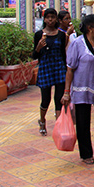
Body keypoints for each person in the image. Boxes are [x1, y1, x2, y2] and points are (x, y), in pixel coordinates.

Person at [61, 14, 94, 164]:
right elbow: (70, 69)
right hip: (81, 88)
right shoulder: (77, 44)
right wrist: (66, 92)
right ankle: (86, 154)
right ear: (90, 28)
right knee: (83, 122)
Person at [33, 8, 68, 136]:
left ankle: (58, 125)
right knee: (45, 99)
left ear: (56, 19)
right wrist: (38, 47)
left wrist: (67, 70)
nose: (50, 20)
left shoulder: (61, 35)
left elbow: (63, 54)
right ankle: (42, 120)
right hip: (46, 68)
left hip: (59, 68)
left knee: (59, 98)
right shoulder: (39, 35)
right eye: (48, 17)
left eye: (52, 17)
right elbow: (34, 56)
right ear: (44, 19)